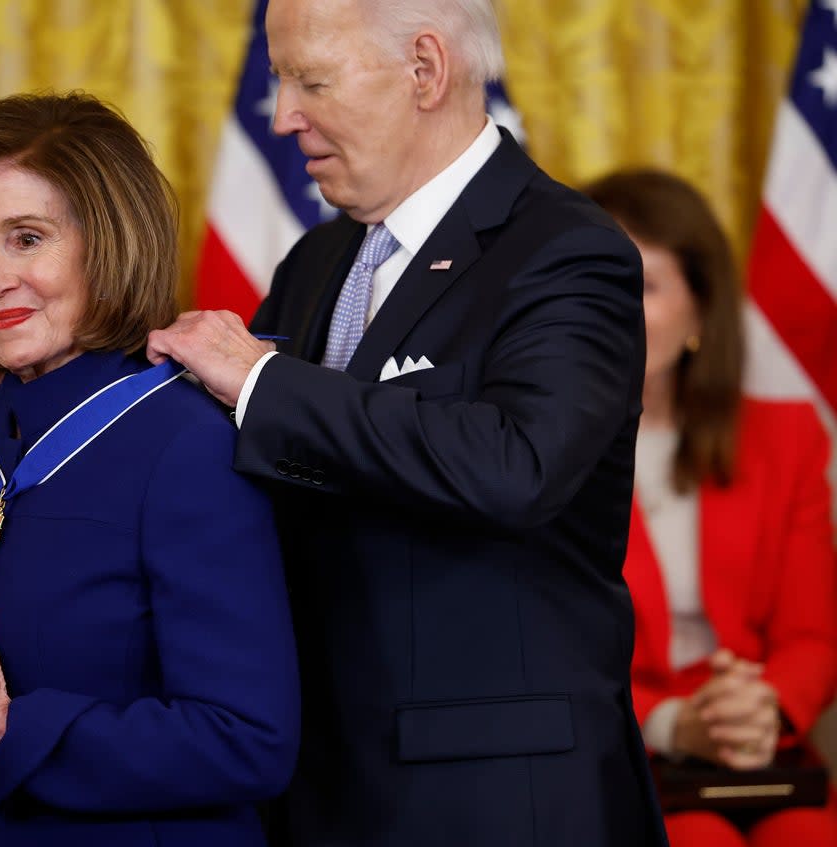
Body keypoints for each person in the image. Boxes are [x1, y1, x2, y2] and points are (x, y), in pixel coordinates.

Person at [147, 0, 667, 844]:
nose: (283, 117)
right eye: (281, 81)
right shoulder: (316, 263)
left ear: (425, 68)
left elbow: (516, 464)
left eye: (311, 80)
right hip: (319, 787)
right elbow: (275, 471)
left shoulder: (567, 250)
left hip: (495, 800)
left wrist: (261, 381)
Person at [0, 91, 300, 846]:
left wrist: (10, 726)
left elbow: (250, 742)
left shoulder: (189, 443)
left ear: (105, 244)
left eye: (26, 238)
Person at [584, 168, 837, 846]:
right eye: (592, 280)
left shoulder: (786, 439)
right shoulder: (534, 449)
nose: (610, 306)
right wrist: (670, 724)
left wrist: (759, 711)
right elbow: (550, 654)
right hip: (617, 753)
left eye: (641, 284)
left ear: (699, 311)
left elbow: (812, 636)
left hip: (761, 748)